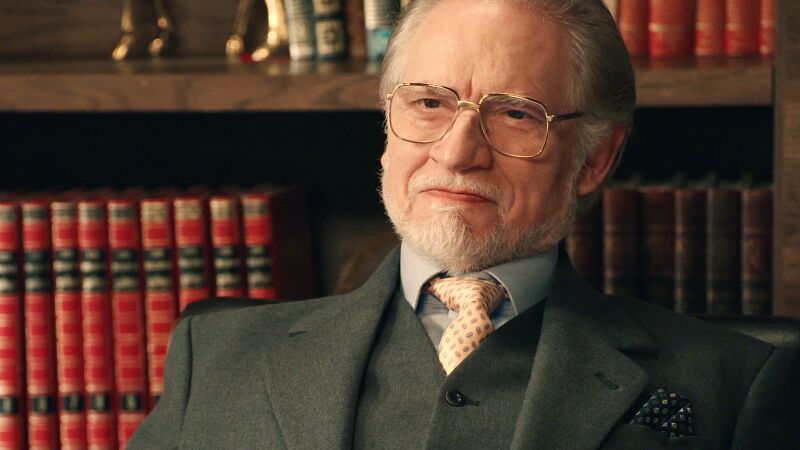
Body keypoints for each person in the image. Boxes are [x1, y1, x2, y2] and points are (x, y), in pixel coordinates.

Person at [129, 0, 800, 448]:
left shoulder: (734, 384)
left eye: (515, 114)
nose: (456, 153)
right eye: (428, 103)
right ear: (387, 125)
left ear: (595, 159)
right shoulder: (216, 360)